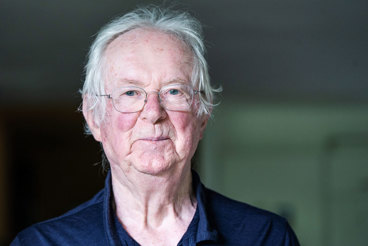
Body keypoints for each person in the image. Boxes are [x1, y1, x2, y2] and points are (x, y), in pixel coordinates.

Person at [11, 6, 300, 246]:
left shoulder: (265, 237)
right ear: (94, 115)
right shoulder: (41, 243)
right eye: (130, 93)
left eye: (174, 91)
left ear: (202, 113)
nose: (153, 113)